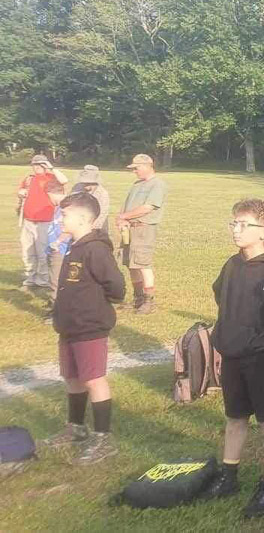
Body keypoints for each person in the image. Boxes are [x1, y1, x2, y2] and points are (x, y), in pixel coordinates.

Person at [198, 199, 264, 519]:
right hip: (233, 353)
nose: (236, 230)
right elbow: (221, 295)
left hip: (262, 357)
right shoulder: (232, 265)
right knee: (235, 416)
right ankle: (229, 475)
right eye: (234, 223)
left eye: (244, 225)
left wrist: (261, 336)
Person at [40, 191, 125, 465]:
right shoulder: (74, 245)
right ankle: (76, 428)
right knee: (72, 377)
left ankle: (103, 439)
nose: (60, 218)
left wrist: (92, 306)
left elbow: (117, 287)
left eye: (64, 214)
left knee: (93, 379)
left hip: (89, 327)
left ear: (82, 218)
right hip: (69, 326)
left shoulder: (95, 249)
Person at [115, 154, 167, 314]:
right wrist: (121, 219)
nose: (134, 171)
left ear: (147, 166)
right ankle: (137, 298)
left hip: (144, 229)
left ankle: (149, 300)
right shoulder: (136, 184)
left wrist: (124, 216)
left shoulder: (157, 184)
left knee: (143, 264)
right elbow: (126, 206)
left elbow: (148, 207)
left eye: (136, 168)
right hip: (130, 229)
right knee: (131, 264)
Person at [17, 154, 69, 289]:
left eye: (41, 164)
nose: (37, 167)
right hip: (28, 221)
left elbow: (64, 180)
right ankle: (30, 279)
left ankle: (43, 280)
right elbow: (21, 191)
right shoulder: (29, 179)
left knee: (42, 253)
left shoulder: (52, 178)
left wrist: (51, 168)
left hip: (45, 221)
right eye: (35, 164)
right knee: (27, 252)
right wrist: (21, 193)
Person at [44, 182, 70, 309]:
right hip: (54, 247)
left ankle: (55, 309)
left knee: (56, 279)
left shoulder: (66, 208)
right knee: (54, 277)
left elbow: (68, 228)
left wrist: (57, 242)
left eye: (49, 196)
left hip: (60, 248)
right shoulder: (59, 207)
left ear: (52, 193)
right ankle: (55, 303)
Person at [71, 165, 110, 236]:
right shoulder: (77, 188)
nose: (86, 186)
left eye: (89, 183)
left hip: (96, 226)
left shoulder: (103, 194)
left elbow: (102, 215)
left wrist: (88, 231)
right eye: (84, 183)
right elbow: (71, 204)